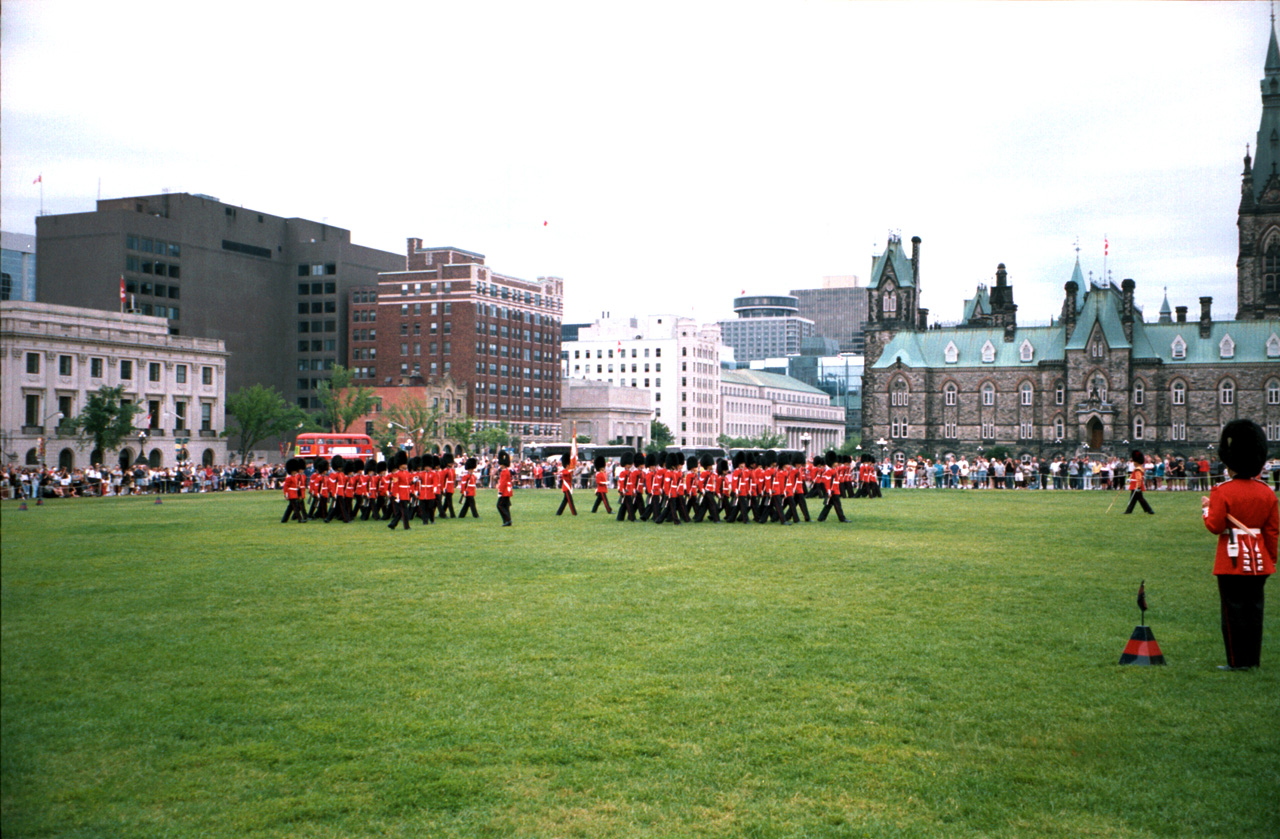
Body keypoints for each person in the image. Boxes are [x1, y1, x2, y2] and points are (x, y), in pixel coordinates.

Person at [1201, 420, 1278, 671]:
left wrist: (1205, 509)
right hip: (1260, 560)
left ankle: (1236, 662)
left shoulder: (1222, 491)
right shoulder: (1267, 492)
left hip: (1231, 558)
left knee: (1233, 613)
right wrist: (1272, 558)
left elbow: (1214, 526)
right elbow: (1272, 531)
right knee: (1255, 612)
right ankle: (1252, 661)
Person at [1123, 450, 1155, 515]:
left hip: (1136, 486)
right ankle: (1129, 511)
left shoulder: (1138, 469)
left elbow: (1139, 478)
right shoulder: (1138, 468)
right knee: (1133, 499)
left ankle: (1149, 510)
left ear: (1136, 462)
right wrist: (1129, 479)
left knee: (1140, 499)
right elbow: (1133, 476)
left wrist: (1138, 486)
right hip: (1135, 485)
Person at [496, 450, 514, 526]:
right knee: (506, 506)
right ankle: (507, 521)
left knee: (499, 505)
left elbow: (503, 483)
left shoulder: (504, 472)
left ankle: (507, 520)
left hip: (505, 491)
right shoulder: (507, 471)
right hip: (508, 491)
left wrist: (500, 492)